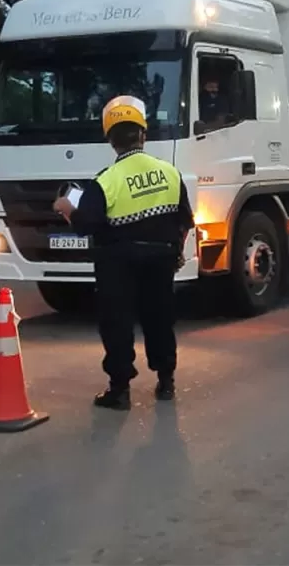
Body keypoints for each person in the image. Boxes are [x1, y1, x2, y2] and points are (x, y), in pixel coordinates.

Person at [53, 95, 194, 409]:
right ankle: (166, 381)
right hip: (161, 259)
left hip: (118, 264)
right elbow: (184, 219)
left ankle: (119, 391)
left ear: (111, 141)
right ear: (142, 135)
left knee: (117, 323)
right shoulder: (169, 172)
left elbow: (85, 226)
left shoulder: (105, 181)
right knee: (159, 318)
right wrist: (177, 251)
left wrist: (66, 209)